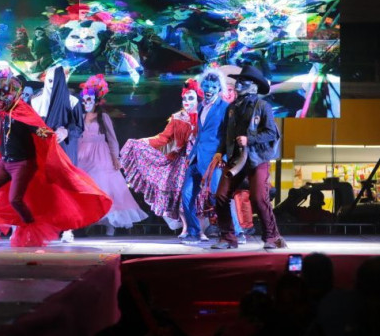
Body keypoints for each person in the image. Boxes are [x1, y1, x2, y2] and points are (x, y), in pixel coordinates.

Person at [0, 70, 112, 248]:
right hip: (5, 162)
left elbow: (37, 128)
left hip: (22, 164)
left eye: (4, 94)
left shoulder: (23, 112)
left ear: (13, 94)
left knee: (15, 200)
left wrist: (47, 133)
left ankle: (31, 232)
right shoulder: (2, 115)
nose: (0, 98)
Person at [212, 64, 285, 250]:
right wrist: (220, 152)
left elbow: (272, 133)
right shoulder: (231, 108)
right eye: (238, 81)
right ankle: (228, 238)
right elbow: (225, 134)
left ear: (253, 85)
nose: (238, 84)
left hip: (256, 159)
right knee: (220, 196)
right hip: (235, 159)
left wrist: (249, 139)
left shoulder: (263, 106)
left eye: (243, 82)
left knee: (259, 198)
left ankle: (272, 237)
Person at [119, 80, 201, 233]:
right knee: (180, 195)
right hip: (181, 160)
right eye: (184, 98)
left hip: (201, 159)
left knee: (201, 194)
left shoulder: (204, 115)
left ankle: (202, 228)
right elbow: (163, 138)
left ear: (198, 99)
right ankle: (185, 227)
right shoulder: (177, 118)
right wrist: (143, 141)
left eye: (190, 98)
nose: (187, 102)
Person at [77, 74, 148, 235]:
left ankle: (111, 222)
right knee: (85, 187)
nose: (85, 103)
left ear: (95, 100)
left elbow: (112, 139)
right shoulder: (79, 117)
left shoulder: (103, 117)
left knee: (104, 185)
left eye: (89, 99)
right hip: (83, 155)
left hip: (100, 154)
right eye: (84, 100)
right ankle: (89, 220)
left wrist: (115, 158)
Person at [180, 65, 230, 244]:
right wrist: (190, 155)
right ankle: (194, 232)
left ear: (219, 89)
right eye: (206, 86)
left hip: (213, 159)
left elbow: (226, 135)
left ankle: (234, 231)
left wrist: (222, 156)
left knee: (217, 196)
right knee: (186, 196)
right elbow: (200, 135)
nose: (209, 90)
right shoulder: (201, 107)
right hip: (195, 158)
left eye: (213, 87)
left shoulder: (225, 107)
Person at [29, 64, 84, 165]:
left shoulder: (73, 101)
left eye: (56, 82)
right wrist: (42, 132)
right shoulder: (35, 102)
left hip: (65, 151)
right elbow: (30, 126)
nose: (52, 86)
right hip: (43, 150)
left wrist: (66, 132)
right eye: (50, 81)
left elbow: (79, 128)